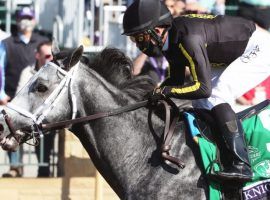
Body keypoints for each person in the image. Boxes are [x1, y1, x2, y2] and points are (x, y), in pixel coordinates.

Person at [122, 0, 270, 183]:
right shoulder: (170, 40)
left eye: (139, 38)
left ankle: (242, 164)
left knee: (216, 94)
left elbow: (203, 88)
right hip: (236, 50)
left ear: (157, 31)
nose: (137, 44)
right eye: (133, 39)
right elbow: (175, 81)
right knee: (200, 102)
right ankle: (222, 151)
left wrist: (165, 91)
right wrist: (155, 93)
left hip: (259, 48)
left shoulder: (187, 39)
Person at [0, 6, 49, 177]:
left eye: (29, 17)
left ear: (34, 20)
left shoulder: (42, 42)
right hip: (12, 97)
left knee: (39, 132)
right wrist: (1, 95)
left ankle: (44, 169)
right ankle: (15, 167)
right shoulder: (6, 43)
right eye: (23, 17)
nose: (26, 21)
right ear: (17, 20)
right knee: (12, 131)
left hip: (38, 99)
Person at [16, 41, 56, 177]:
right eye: (46, 56)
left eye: (51, 56)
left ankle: (44, 168)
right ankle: (16, 168)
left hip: (48, 118)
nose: (50, 59)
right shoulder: (27, 73)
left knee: (45, 132)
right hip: (29, 116)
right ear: (37, 55)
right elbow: (20, 96)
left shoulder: (56, 75)